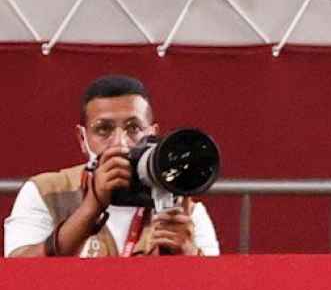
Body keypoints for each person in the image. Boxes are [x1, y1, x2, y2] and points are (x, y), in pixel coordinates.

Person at [4, 75, 219, 259]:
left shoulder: (182, 205)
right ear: (82, 138)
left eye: (134, 128)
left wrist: (189, 254)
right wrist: (91, 207)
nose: (120, 143)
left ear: (153, 135)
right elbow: (16, 274)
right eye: (103, 129)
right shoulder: (45, 191)